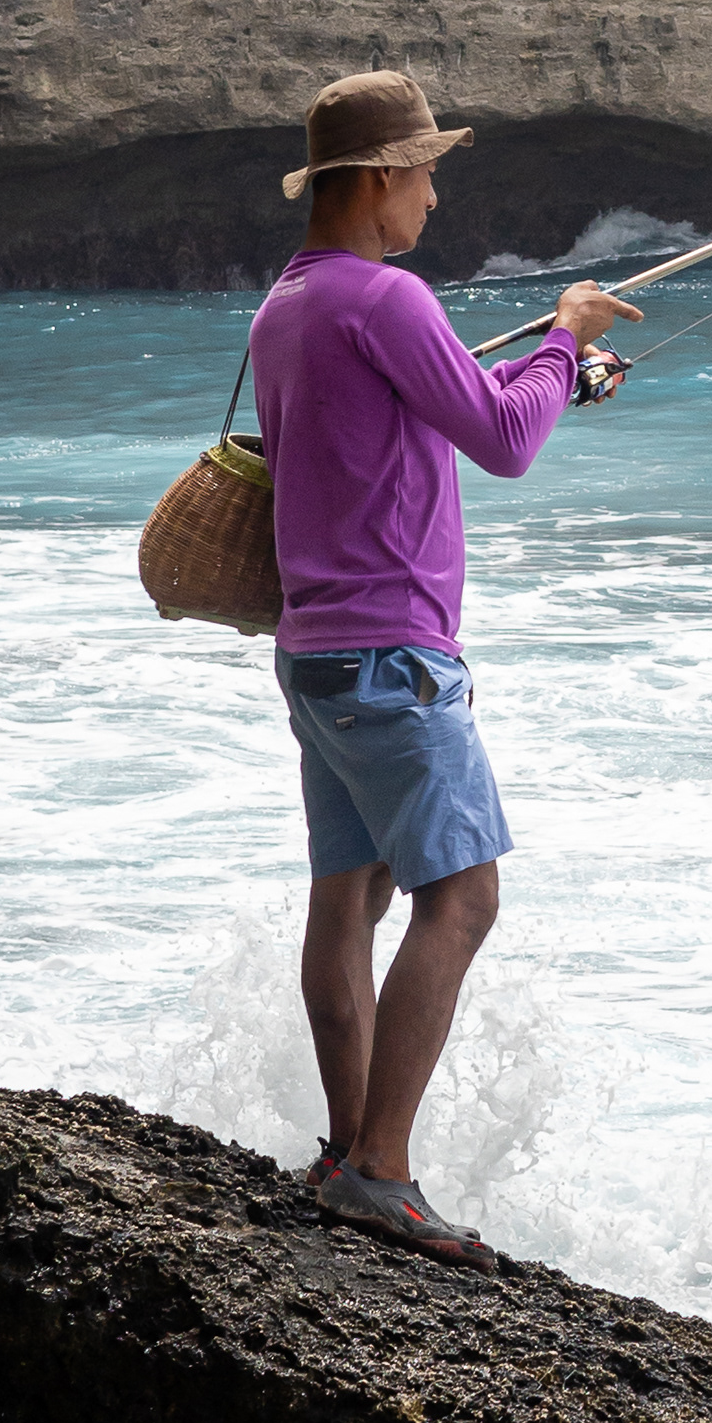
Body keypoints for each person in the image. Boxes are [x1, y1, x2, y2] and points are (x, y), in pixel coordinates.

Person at [247, 69, 636, 1266]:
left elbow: (449, 407)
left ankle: (341, 1147)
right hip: (395, 659)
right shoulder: (393, 297)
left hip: (316, 655)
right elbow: (508, 441)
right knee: (462, 899)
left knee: (350, 902)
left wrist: (554, 371)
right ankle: (380, 1169)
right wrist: (566, 340)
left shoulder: (292, 304)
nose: (433, 193)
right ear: (372, 180)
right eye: (422, 170)